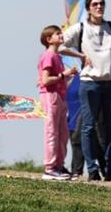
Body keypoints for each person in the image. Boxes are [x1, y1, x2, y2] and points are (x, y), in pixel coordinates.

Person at [59, 0, 111, 181]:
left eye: (102, 3)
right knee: (87, 127)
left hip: (110, 83)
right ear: (88, 8)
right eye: (95, 4)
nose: (99, 7)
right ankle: (92, 169)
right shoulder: (80, 28)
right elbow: (60, 45)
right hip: (89, 83)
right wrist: (80, 56)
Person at [39, 25, 78, 181]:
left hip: (60, 97)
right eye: (57, 34)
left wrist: (68, 77)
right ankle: (50, 168)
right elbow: (46, 80)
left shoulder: (58, 57)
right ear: (49, 39)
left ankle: (59, 165)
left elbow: (56, 79)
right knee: (52, 132)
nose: (61, 36)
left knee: (62, 133)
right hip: (50, 96)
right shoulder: (48, 56)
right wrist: (65, 74)